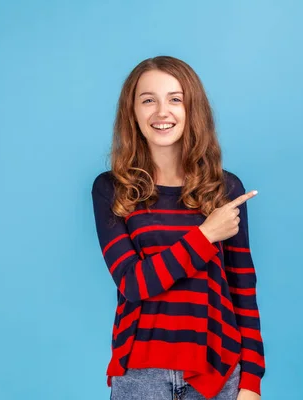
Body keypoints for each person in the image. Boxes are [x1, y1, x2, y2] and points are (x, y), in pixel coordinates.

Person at [91, 56, 265, 400]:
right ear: (133, 112)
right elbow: (133, 283)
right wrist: (205, 235)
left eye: (175, 99)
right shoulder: (111, 189)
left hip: (216, 370)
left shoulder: (224, 189)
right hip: (140, 374)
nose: (161, 111)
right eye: (148, 100)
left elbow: (243, 288)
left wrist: (251, 382)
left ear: (192, 109)